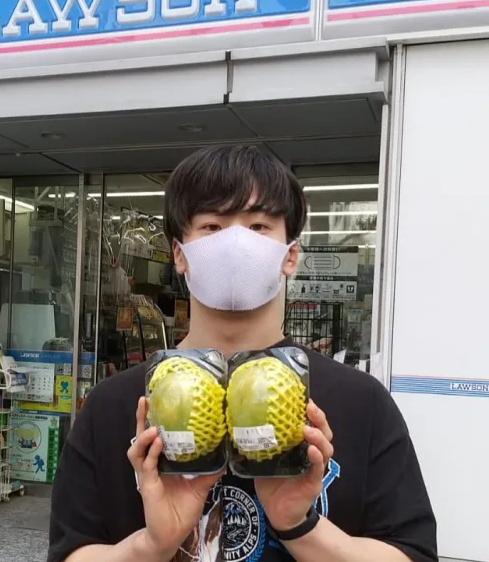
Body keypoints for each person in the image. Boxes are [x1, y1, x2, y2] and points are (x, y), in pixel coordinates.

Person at [47, 144, 438, 562]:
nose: (236, 243)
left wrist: (300, 526)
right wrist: (154, 544)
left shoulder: (362, 403)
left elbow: (410, 552)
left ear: (290, 256)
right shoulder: (113, 406)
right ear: (180, 254)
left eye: (258, 226)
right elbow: (72, 551)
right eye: (213, 226)